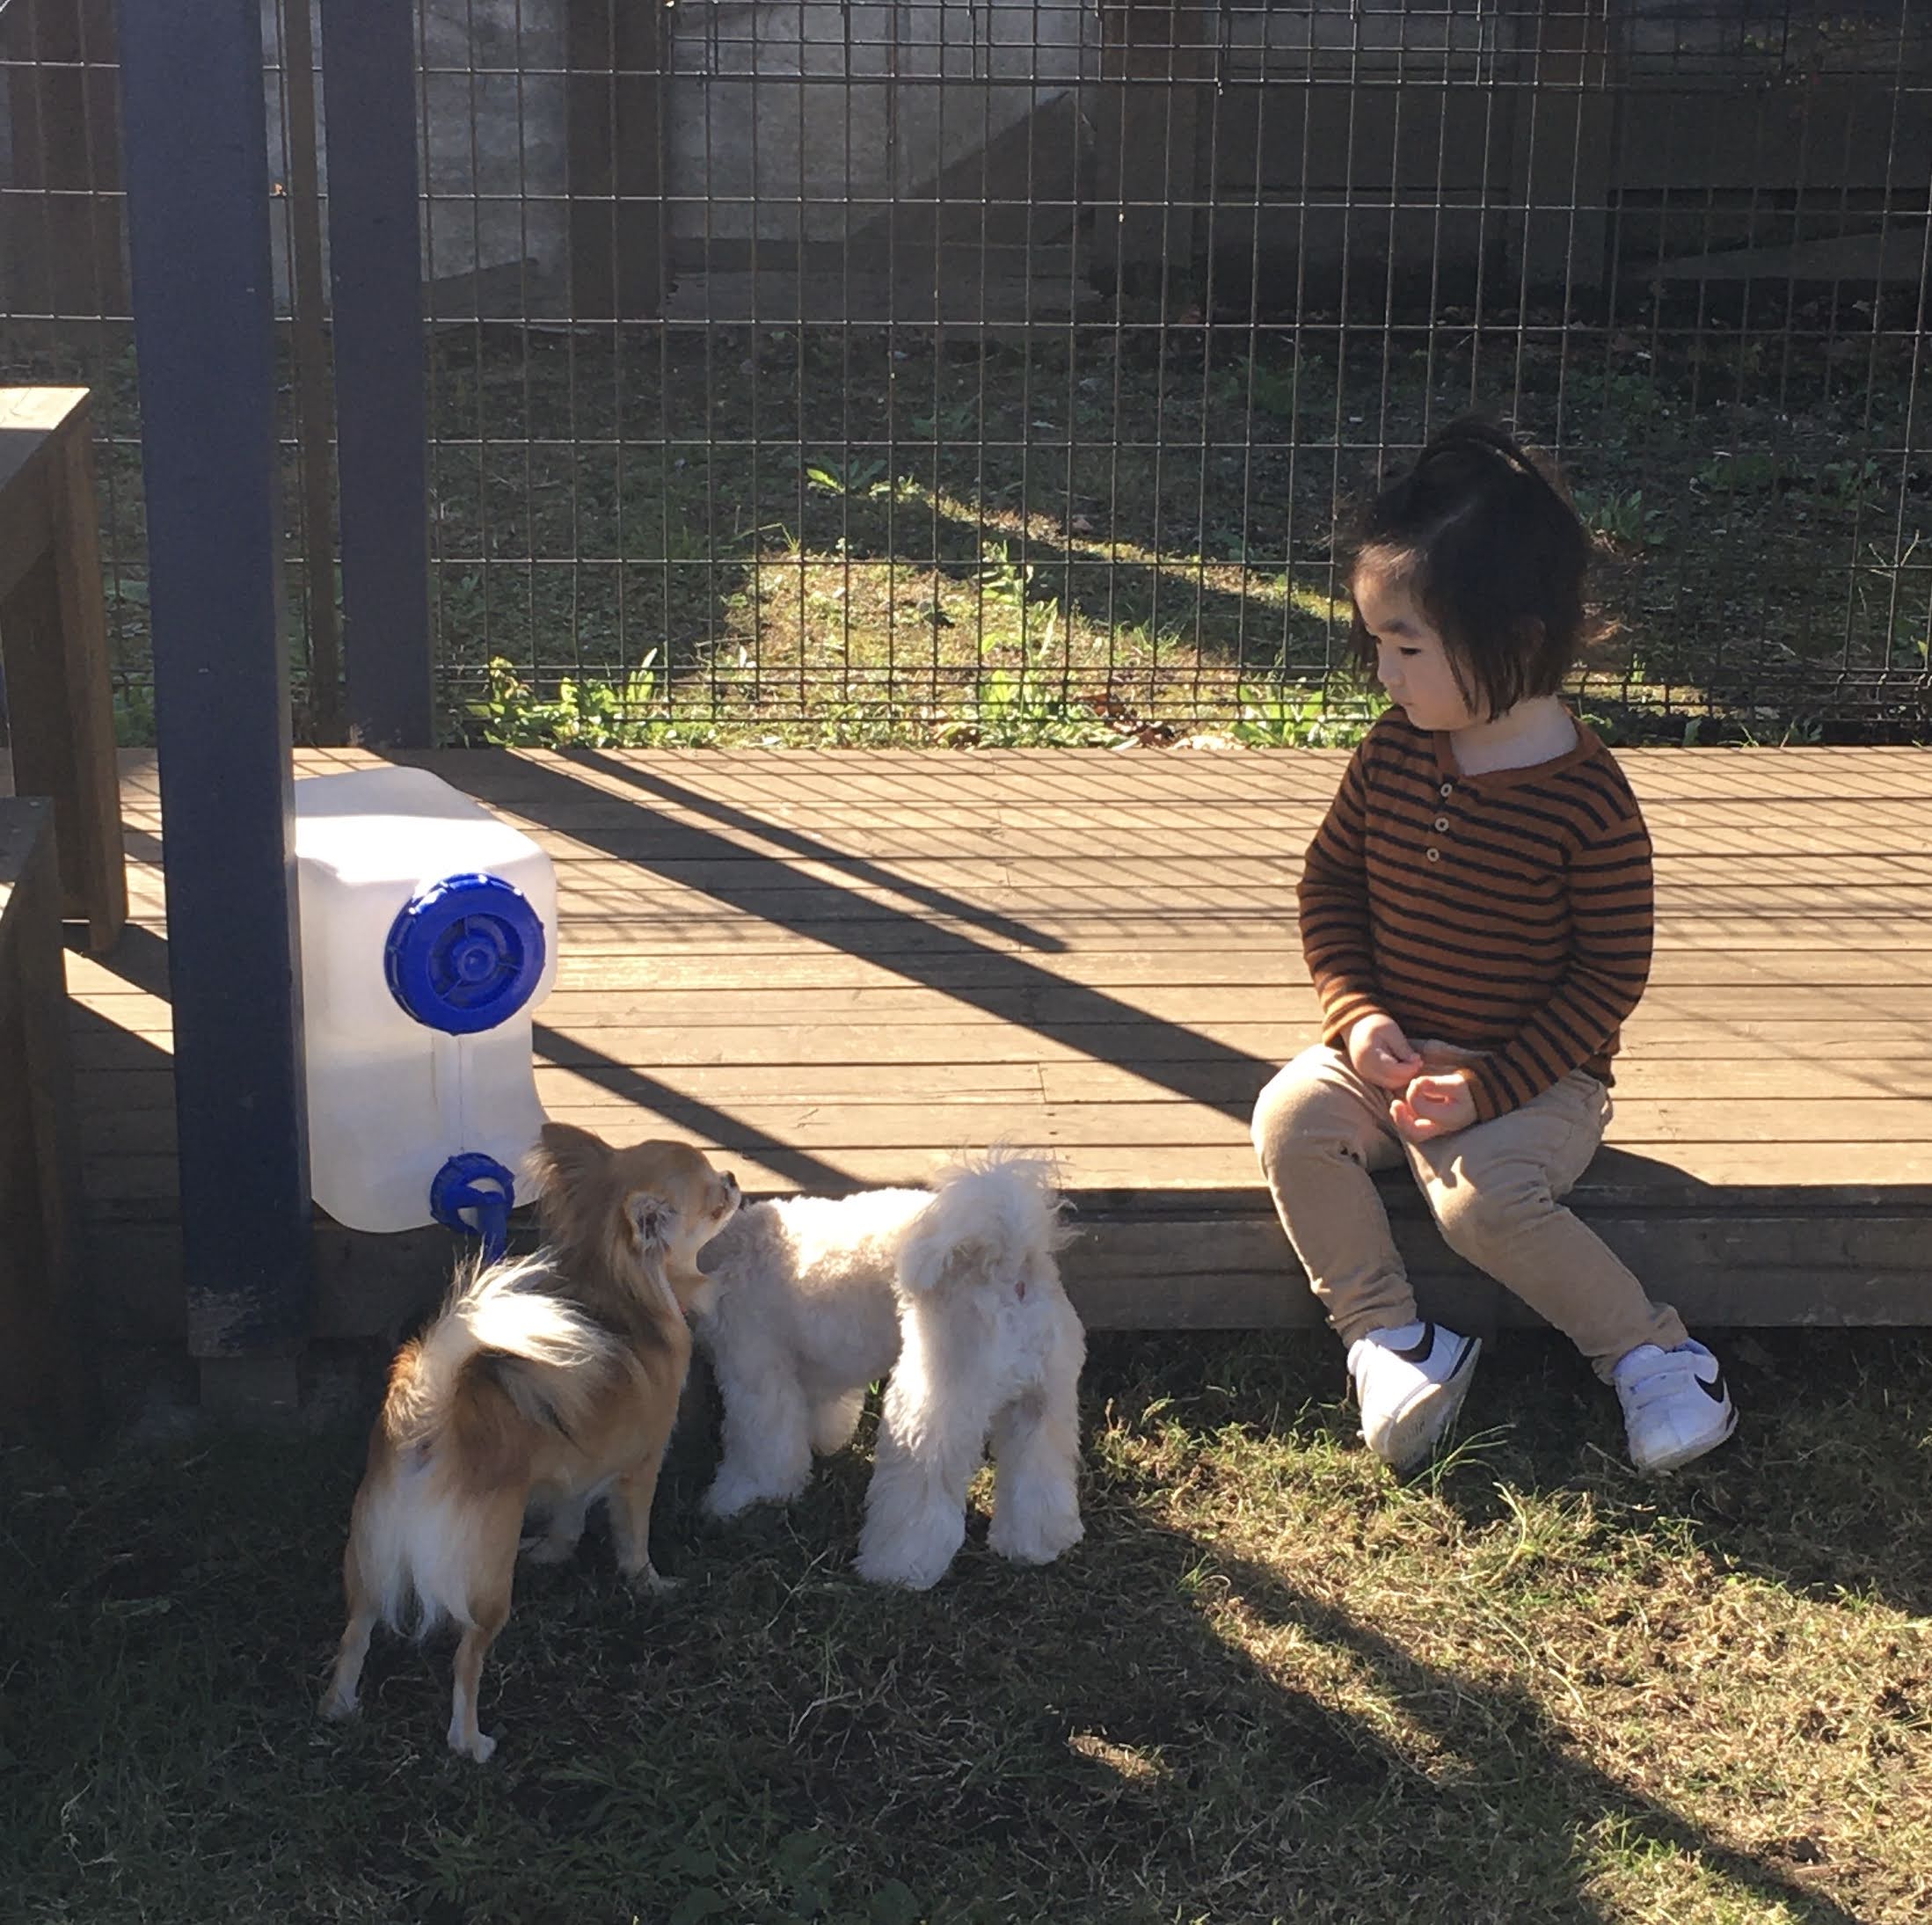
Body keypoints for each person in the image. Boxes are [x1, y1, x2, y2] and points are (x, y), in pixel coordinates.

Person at [1250, 419, 1736, 1477]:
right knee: (1290, 1117)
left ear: (1515, 640)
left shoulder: (1586, 802)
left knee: (1478, 1200)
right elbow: (1329, 886)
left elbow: (1608, 976)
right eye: (1375, 644)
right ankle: (1389, 1339)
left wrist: (1489, 1086)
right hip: (1391, 1055)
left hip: (1539, 1079)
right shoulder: (1391, 750)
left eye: (1407, 648)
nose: (1383, 674)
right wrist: (1358, 1017)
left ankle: (1653, 1354)